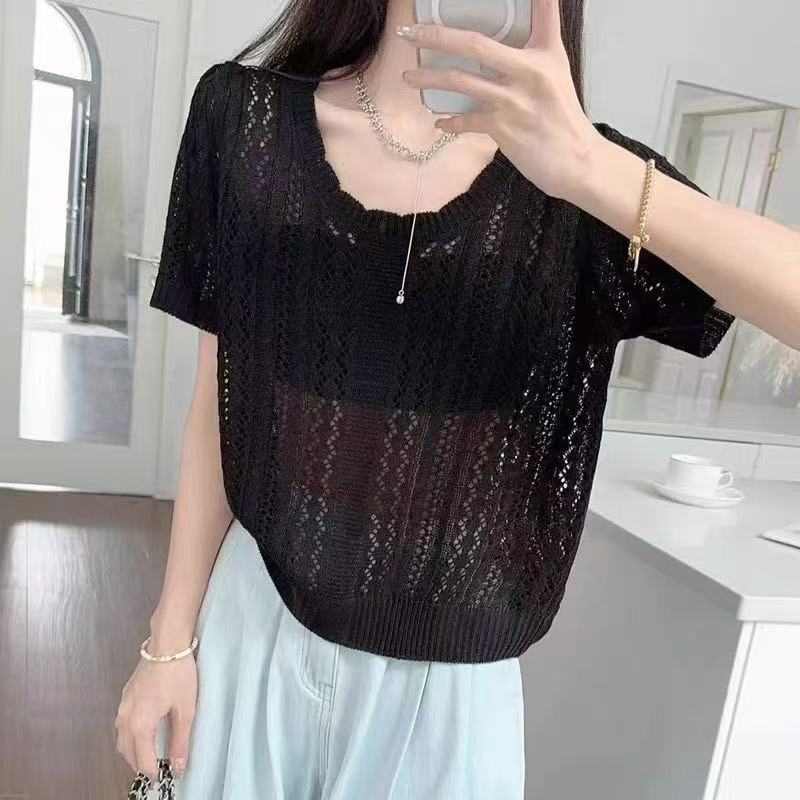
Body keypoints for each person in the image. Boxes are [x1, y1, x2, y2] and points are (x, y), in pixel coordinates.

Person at [114, 0, 800, 796]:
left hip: (452, 683)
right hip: (254, 614)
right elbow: (217, 403)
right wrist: (167, 643)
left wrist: (587, 166)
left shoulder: (585, 182)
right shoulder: (244, 118)